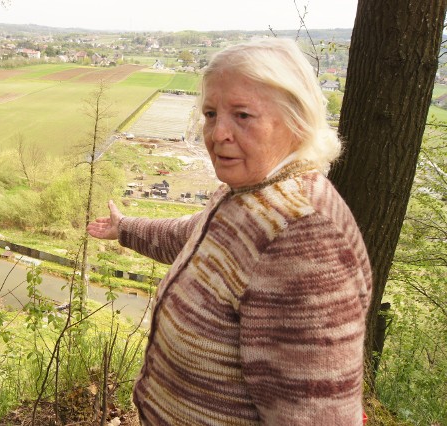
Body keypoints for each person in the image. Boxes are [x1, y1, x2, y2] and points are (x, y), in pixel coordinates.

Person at [87, 38, 372, 425]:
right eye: (210, 113)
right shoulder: (254, 194)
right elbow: (198, 239)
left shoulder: (304, 240)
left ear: (295, 120)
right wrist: (125, 230)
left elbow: (317, 415)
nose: (217, 133)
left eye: (242, 115)